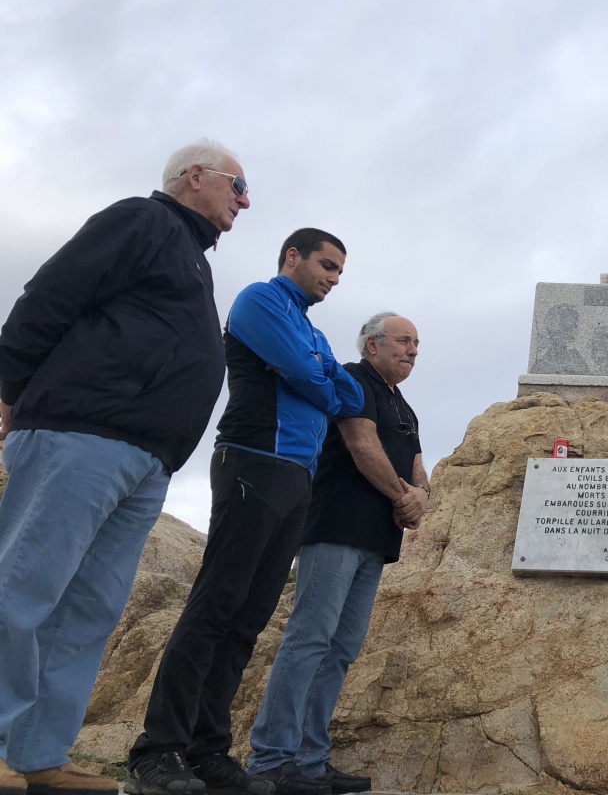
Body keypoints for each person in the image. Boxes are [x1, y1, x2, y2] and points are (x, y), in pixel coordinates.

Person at [0, 142, 250, 795]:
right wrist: (8, 391)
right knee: (22, 586)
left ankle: (38, 755)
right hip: (82, 432)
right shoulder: (143, 219)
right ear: (195, 177)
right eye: (238, 184)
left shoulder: (191, 255)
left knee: (87, 611)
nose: (245, 200)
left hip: (146, 460)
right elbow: (50, 295)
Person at [128, 229, 365, 795]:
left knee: (247, 621)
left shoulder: (311, 329)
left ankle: (208, 751)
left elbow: (350, 396)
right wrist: (317, 376)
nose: (333, 279)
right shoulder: (260, 299)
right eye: (326, 265)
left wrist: (317, 374)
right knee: (215, 607)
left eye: (340, 272)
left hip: (298, 477)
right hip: (253, 460)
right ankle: (157, 751)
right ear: (293, 257)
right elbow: (313, 379)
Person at [246, 313, 430, 795]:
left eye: (416, 344)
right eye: (403, 341)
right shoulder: (353, 379)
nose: (412, 351)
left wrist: (422, 496)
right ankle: (271, 758)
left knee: (342, 649)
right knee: (310, 639)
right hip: (334, 527)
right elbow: (360, 444)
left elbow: (417, 465)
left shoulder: (404, 406)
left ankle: (310, 761)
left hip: (376, 540)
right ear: (373, 345)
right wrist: (403, 497)